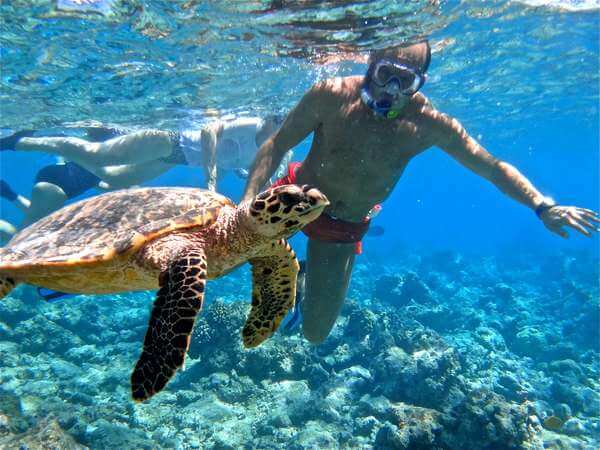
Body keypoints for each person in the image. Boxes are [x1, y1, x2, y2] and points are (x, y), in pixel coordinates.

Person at [242, 40, 600, 344]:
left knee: (315, 334)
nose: (390, 90)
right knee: (226, 251)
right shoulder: (330, 96)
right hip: (294, 196)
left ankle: (302, 279)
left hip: (343, 224)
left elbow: (490, 166)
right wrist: (246, 203)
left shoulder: (427, 124)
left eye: (405, 81)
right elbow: (276, 144)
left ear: (420, 83)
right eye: (385, 75)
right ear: (371, 64)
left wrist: (542, 206)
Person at [0, 116, 289, 228]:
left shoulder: (276, 149)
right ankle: (19, 141)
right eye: (280, 119)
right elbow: (208, 130)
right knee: (97, 155)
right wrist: (211, 176)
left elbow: (239, 166)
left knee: (114, 178)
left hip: (177, 160)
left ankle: (73, 171)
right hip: (168, 140)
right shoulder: (252, 124)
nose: (281, 124)